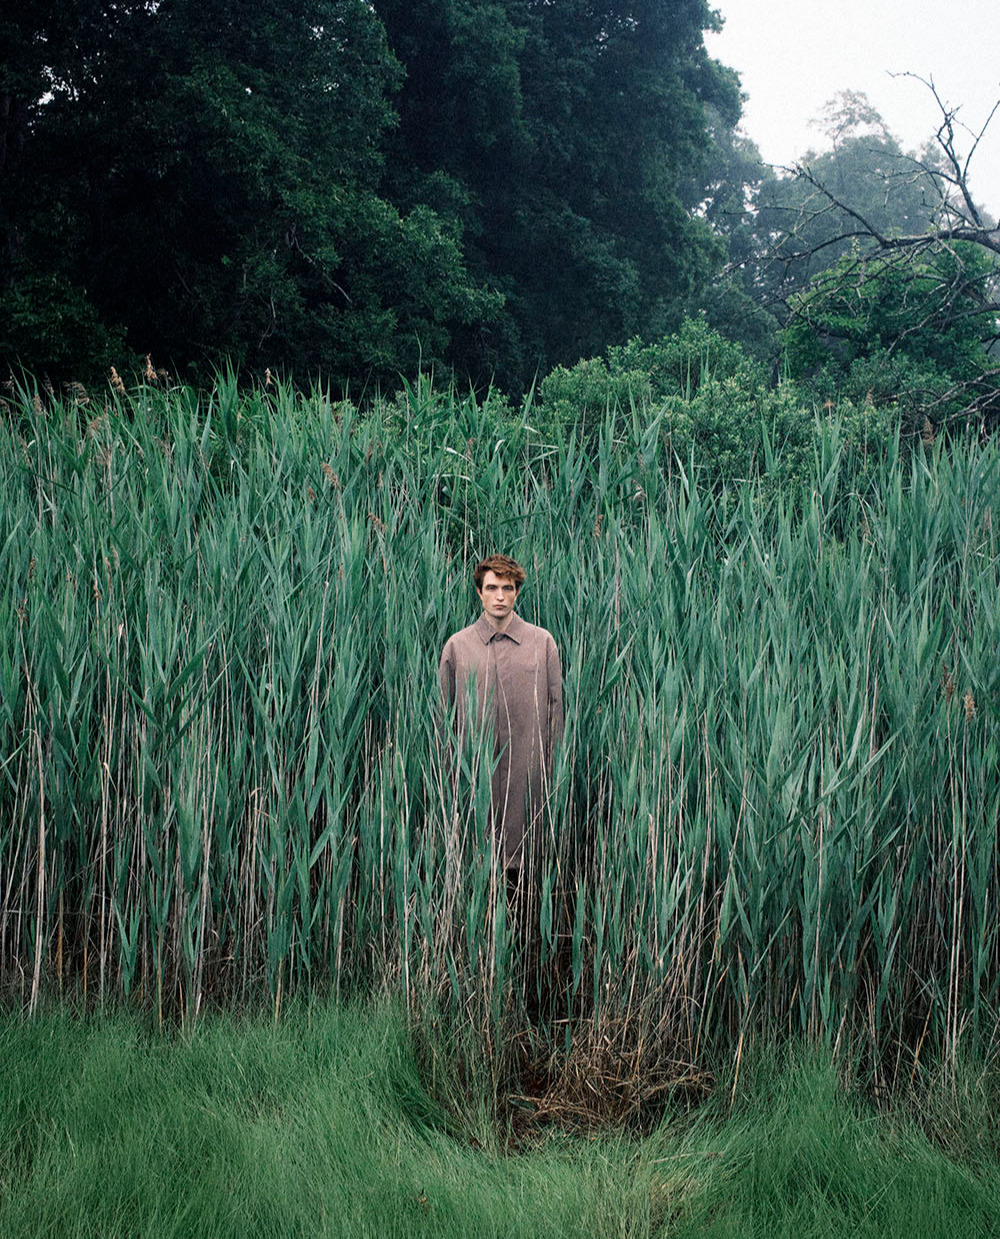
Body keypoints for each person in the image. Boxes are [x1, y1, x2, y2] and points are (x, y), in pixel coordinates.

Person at [438, 554, 563, 877]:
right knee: (478, 859)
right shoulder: (458, 647)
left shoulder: (542, 643)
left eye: (507, 588)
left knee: (525, 863)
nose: (500, 597)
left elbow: (555, 712)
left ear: (517, 592)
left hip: (529, 776)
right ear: (479, 592)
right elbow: (445, 718)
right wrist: (451, 774)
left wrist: (551, 770)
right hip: (474, 777)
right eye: (491, 588)